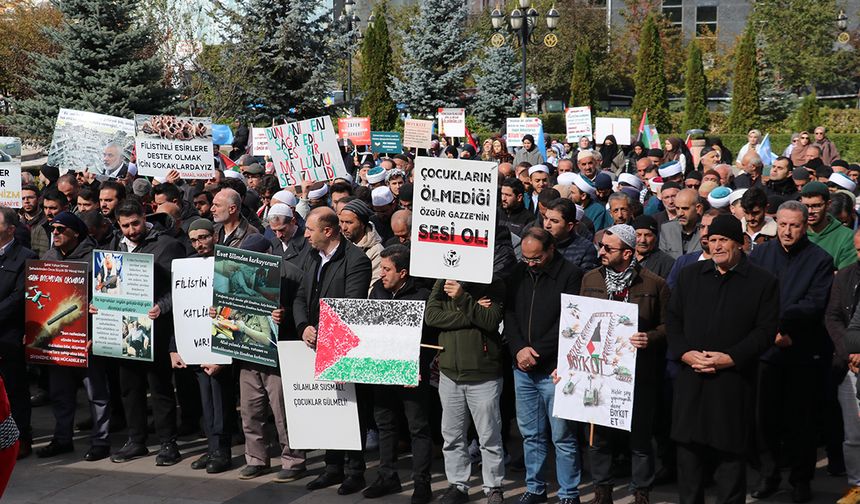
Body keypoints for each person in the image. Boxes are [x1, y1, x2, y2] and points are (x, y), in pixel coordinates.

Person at [667, 214, 779, 504]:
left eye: (723, 240)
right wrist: (685, 353)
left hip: (732, 384)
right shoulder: (690, 276)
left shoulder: (762, 282)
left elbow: (765, 331)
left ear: (740, 243)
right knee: (689, 466)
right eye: (712, 240)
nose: (716, 246)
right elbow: (673, 320)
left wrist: (730, 358)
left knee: (729, 467)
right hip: (691, 381)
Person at [748, 201, 834, 503]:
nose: (787, 231)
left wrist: (783, 327)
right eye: (782, 224)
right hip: (765, 350)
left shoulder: (820, 259)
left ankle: (801, 480)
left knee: (801, 422)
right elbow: (750, 295)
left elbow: (814, 303)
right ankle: (768, 475)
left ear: (805, 225)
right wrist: (767, 329)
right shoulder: (761, 254)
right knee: (764, 419)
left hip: (800, 350)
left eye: (794, 225)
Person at [579, 224, 670, 504]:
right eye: (601, 246)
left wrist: (650, 337)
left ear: (628, 253)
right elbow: (579, 322)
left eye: (609, 248)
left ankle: (641, 491)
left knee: (640, 437)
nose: (602, 251)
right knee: (599, 437)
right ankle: (602, 491)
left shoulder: (654, 284)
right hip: (598, 373)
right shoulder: (590, 279)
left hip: (639, 373)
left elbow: (670, 326)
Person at [294, 207, 372, 495]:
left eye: (310, 229)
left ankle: (355, 471)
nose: (305, 234)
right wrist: (303, 325)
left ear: (328, 231)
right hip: (314, 341)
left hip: (343, 345)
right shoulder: (311, 256)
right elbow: (301, 295)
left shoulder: (356, 260)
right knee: (328, 407)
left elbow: (351, 304)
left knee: (352, 410)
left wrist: (325, 332)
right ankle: (332, 467)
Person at [104, 200, 186, 466]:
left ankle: (168, 443)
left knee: (160, 388)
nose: (131, 230)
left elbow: (181, 287)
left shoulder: (167, 245)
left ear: (144, 217)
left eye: (135, 223)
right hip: (125, 329)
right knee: (129, 387)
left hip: (158, 329)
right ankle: (136, 440)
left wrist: (161, 307)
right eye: (125, 225)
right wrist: (100, 304)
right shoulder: (116, 245)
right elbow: (108, 283)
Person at [505, 227, 583, 504]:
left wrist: (535, 351)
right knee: (531, 434)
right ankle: (535, 488)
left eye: (536, 259)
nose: (531, 264)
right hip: (522, 367)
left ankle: (568, 493)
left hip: (554, 369)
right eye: (527, 258)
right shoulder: (518, 272)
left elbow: (570, 323)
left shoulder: (571, 274)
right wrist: (518, 350)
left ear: (551, 250)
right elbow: (509, 312)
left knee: (562, 436)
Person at [424, 273, 506, 504]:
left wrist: (461, 297)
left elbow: (490, 320)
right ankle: (458, 485)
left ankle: (493, 487)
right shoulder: (442, 281)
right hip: (450, 373)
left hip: (484, 374)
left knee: (489, 436)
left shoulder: (493, 282)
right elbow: (431, 317)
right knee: (452, 435)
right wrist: (469, 312)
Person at [37, 212, 112, 462]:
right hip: (57, 340)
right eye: (52, 229)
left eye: (60, 229)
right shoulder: (48, 257)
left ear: (76, 233)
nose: (55, 233)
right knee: (60, 393)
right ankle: (62, 438)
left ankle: (101, 441)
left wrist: (96, 333)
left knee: (96, 394)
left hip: (87, 339)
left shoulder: (96, 259)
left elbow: (107, 299)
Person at [363, 245, 434, 504]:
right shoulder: (378, 292)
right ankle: (387, 476)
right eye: (381, 269)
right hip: (382, 372)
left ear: (403, 273)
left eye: (386, 269)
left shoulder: (423, 296)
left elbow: (431, 339)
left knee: (418, 428)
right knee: (385, 424)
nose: (381, 274)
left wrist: (417, 366)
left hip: (411, 376)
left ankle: (422, 483)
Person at [0, 208, 36, 459]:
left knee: (14, 389)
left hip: (9, 335)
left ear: (10, 229)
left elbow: (20, 296)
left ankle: (22, 437)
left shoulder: (25, 257)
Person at [827, 228, 860, 504]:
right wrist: (850, 352)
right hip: (849, 364)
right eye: (858, 250)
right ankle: (856, 484)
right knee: (852, 434)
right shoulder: (846, 276)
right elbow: (834, 316)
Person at [801, 182, 855, 270]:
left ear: (828, 204)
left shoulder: (847, 237)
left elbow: (845, 277)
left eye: (816, 206)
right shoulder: (794, 231)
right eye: (806, 206)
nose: (810, 211)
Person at [338, 198, 384, 291]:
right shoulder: (338, 244)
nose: (344, 228)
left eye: (349, 222)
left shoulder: (376, 251)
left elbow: (373, 287)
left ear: (362, 224)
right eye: (342, 222)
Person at [543, 198, 599, 272]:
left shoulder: (585, 249)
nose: (547, 225)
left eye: (554, 221)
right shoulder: (538, 242)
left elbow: (585, 280)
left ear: (569, 226)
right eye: (545, 218)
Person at [659, 189, 702, 260]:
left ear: (698, 208)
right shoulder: (667, 229)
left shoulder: (706, 230)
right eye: (677, 208)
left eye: (685, 208)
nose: (680, 213)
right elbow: (663, 260)